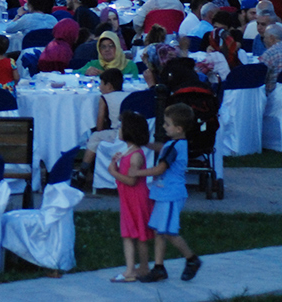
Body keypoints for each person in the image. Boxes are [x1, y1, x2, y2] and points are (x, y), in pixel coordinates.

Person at [130, 103, 202, 282]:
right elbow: (162, 148)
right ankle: (159, 267)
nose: (164, 126)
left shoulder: (173, 147)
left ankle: (191, 259)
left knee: (169, 231)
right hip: (164, 194)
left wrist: (137, 173)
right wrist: (146, 144)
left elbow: (160, 169)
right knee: (159, 231)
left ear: (179, 128)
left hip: (170, 194)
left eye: (167, 124)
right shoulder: (177, 143)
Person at [106, 111, 154, 283]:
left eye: (121, 127)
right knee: (128, 233)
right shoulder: (128, 152)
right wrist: (115, 165)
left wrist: (113, 172)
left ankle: (141, 268)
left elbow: (132, 181)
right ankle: (131, 269)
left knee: (140, 235)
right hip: (128, 199)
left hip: (136, 199)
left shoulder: (135, 156)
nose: (119, 129)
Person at [75, 68, 129, 183]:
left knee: (95, 137)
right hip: (129, 131)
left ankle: (83, 172)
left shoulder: (104, 98)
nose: (100, 87)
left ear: (108, 86)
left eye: (101, 84)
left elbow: (99, 123)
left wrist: (99, 131)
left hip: (117, 133)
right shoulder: (128, 95)